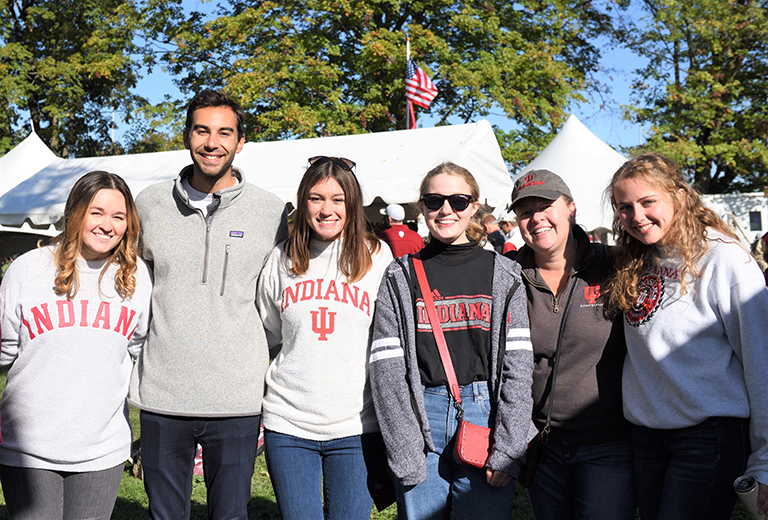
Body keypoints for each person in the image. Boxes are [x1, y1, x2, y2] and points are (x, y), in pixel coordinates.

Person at [128, 89, 288, 520]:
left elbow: (281, 297)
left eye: (224, 132)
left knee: (230, 515)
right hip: (162, 394)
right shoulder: (149, 205)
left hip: (237, 397)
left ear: (240, 142)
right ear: (186, 136)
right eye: (202, 130)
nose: (212, 142)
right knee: (165, 515)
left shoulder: (271, 212)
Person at [606, 152, 768, 520]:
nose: (637, 216)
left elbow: (762, 363)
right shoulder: (637, 258)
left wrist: (765, 461)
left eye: (648, 202)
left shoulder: (724, 258)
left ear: (679, 197)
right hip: (646, 438)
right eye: (625, 207)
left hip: (708, 436)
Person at [369, 162, 534, 519]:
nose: (446, 210)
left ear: (474, 205)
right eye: (434, 200)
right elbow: (387, 369)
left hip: (485, 415)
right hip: (419, 414)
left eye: (458, 200)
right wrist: (403, 446)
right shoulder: (400, 275)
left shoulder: (504, 274)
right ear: (421, 207)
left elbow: (517, 369)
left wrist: (509, 446)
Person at [0, 171, 152, 520]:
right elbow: (5, 348)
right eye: (96, 212)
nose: (107, 225)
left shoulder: (136, 277)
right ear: (75, 213)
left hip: (101, 448)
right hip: (28, 448)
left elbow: (140, 346)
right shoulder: (28, 270)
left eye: (119, 216)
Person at [256, 156, 393, 519]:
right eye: (316, 198)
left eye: (337, 199)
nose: (326, 209)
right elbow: (269, 330)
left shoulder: (377, 256)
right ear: (303, 203)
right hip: (288, 423)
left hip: (356, 426)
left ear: (353, 203)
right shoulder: (281, 259)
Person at [508, 169, 634, 519]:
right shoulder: (507, 276)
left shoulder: (614, 265)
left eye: (546, 206)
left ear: (571, 208)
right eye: (525, 211)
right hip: (542, 447)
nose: (536, 218)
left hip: (608, 443)